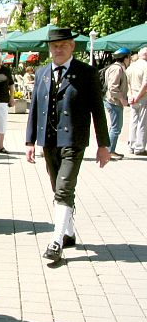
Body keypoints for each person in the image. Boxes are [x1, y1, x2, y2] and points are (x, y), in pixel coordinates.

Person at [26, 27, 110, 262]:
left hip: (74, 140)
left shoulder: (86, 73)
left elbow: (98, 111)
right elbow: (33, 109)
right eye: (54, 45)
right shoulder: (42, 73)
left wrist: (104, 144)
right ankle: (69, 232)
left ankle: (56, 241)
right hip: (49, 141)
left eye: (63, 45)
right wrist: (29, 141)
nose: (58, 49)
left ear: (72, 46)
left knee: (64, 188)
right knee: (57, 188)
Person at [104, 47, 130, 159]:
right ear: (125, 58)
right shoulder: (117, 69)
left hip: (112, 101)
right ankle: (109, 151)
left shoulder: (115, 67)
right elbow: (113, 88)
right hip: (114, 102)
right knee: (116, 128)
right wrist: (122, 99)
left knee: (114, 127)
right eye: (129, 57)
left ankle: (110, 150)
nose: (130, 60)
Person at [126, 47, 147, 155]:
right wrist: (138, 97)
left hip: (132, 96)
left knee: (133, 122)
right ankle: (139, 148)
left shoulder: (131, 66)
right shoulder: (145, 66)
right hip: (143, 97)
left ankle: (131, 145)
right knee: (142, 122)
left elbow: (127, 82)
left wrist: (131, 95)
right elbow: (145, 84)